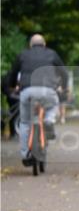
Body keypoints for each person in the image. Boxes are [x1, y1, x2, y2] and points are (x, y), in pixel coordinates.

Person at [7, 34, 68, 165]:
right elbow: (63, 72)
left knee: (25, 123)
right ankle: (48, 121)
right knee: (53, 105)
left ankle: (25, 154)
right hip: (48, 90)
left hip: (27, 91)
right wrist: (64, 86)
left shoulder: (23, 54)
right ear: (44, 44)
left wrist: (12, 86)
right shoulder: (52, 54)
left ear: (30, 45)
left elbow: (13, 73)